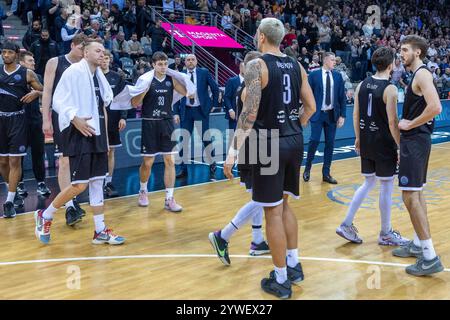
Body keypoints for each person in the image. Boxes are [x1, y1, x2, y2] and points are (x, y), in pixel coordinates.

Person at [223, 18, 316, 299]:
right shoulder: (297, 65)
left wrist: (232, 153)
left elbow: (248, 115)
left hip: (268, 144)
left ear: (261, 37)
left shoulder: (256, 66)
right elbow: (310, 107)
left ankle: (281, 279)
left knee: (272, 211)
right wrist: (292, 129)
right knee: (284, 205)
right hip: (294, 139)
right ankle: (294, 263)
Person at [34, 39, 125, 246]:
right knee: (79, 185)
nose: (102, 54)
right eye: (97, 51)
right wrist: (74, 117)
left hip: (98, 134)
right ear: (85, 53)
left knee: (97, 182)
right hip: (79, 133)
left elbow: (103, 107)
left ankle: (100, 231)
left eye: (104, 51)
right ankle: (45, 215)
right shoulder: (73, 72)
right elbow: (58, 100)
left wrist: (105, 136)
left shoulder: (99, 76)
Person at [335, 47, 409, 246]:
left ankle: (346, 224)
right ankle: (385, 233)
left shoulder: (362, 85)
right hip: (384, 143)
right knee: (386, 185)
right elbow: (393, 122)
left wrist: (358, 138)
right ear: (391, 64)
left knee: (368, 183)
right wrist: (400, 146)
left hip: (366, 140)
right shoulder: (390, 89)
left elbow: (356, 114)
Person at [209, 51, 270, 266]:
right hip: (254, 145)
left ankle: (257, 241)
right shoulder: (248, 91)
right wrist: (232, 154)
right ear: (246, 68)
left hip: (254, 144)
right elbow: (245, 123)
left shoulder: (248, 87)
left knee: (258, 196)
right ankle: (223, 236)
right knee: (263, 198)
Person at [392, 35, 444, 276]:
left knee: (410, 197)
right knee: (417, 192)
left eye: (405, 50)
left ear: (418, 53)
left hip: (415, 140)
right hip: (418, 141)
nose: (401, 54)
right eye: (400, 50)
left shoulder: (422, 74)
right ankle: (416, 243)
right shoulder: (418, 74)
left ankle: (430, 256)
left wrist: (410, 124)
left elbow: (436, 107)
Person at [131, 52, 187, 212]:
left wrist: (184, 79)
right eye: (160, 64)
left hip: (167, 123)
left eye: (165, 64)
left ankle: (169, 198)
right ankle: (143, 190)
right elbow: (135, 103)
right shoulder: (146, 80)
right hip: (149, 124)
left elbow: (186, 92)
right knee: (147, 163)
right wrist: (144, 90)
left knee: (169, 161)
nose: (163, 67)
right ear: (153, 65)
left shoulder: (171, 79)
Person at [42, 33, 87, 226]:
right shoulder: (55, 62)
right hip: (63, 118)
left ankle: (73, 200)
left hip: (82, 117)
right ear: (72, 45)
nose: (84, 53)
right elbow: (47, 91)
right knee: (64, 160)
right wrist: (46, 118)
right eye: (81, 49)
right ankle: (69, 206)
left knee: (79, 160)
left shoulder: (85, 65)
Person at [0, 42, 43, 218]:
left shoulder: (27, 73)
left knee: (14, 162)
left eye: (9, 52)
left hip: (18, 119)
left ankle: (9, 200)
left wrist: (37, 93)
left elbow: (47, 90)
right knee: (2, 162)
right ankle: (14, 189)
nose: (6, 55)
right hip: (0, 119)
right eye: (4, 52)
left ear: (16, 55)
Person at [173, 54, 219, 180]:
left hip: (201, 110)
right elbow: (176, 94)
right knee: (183, 140)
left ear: (196, 61)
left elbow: (215, 88)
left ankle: (212, 166)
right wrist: (175, 112)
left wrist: (214, 104)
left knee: (206, 139)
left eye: (192, 59)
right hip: (186, 111)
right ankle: (183, 169)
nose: (190, 61)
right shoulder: (180, 75)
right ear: (185, 62)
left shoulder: (203, 72)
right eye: (188, 60)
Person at [303, 52, 347, 184]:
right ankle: (307, 169)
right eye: (333, 60)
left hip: (332, 114)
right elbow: (307, 95)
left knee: (330, 144)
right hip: (317, 114)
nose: (335, 62)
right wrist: (305, 114)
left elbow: (342, 97)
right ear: (326, 60)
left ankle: (326, 173)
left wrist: (342, 115)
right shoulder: (314, 75)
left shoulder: (338, 76)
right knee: (314, 141)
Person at [16, 51, 51, 198]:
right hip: (18, 122)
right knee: (18, 156)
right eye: (30, 61)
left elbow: (48, 93)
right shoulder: (14, 78)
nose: (34, 63)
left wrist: (38, 93)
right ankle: (19, 184)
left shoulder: (39, 77)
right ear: (22, 63)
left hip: (36, 120)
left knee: (38, 153)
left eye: (34, 60)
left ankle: (41, 183)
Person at [100, 50, 128, 198]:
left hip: (113, 119)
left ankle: (108, 182)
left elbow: (123, 98)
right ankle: (98, 182)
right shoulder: (92, 76)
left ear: (110, 60)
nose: (104, 61)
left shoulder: (117, 77)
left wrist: (123, 117)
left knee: (111, 151)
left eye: (107, 58)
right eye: (102, 58)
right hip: (96, 120)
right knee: (99, 152)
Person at [223, 62, 244, 130]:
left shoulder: (251, 82)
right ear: (240, 68)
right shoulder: (232, 81)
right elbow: (226, 97)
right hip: (234, 115)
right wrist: (230, 110)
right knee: (234, 137)